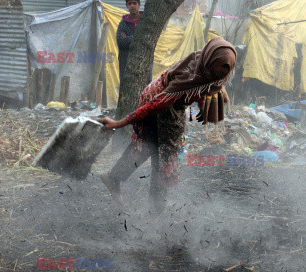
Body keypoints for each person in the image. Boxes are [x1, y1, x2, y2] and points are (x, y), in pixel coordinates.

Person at [99, 37, 237, 212]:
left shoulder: (205, 63)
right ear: (209, 63)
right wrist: (118, 123)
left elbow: (206, 87)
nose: (219, 78)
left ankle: (116, 179)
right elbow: (155, 105)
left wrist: (203, 106)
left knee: (148, 148)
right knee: (165, 157)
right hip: (158, 102)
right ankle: (156, 208)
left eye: (223, 75)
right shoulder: (187, 78)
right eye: (216, 73)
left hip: (171, 104)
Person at [117, 0, 143, 81]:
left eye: (134, 3)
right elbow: (120, 42)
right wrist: (138, 38)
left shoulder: (145, 21)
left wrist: (127, 38)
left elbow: (146, 41)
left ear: (139, 5)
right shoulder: (123, 23)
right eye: (130, 3)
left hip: (142, 59)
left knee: (144, 85)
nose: (132, 6)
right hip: (125, 60)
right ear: (127, 6)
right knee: (126, 84)